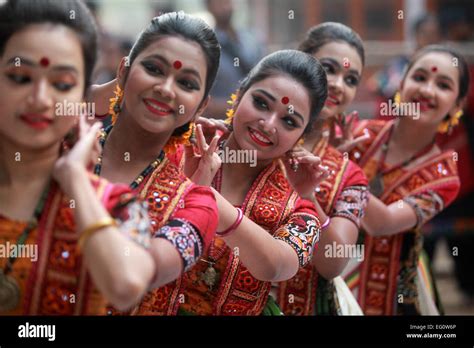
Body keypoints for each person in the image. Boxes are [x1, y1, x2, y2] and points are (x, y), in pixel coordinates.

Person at [0, 0, 157, 314]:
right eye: (20, 77)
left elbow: (125, 285)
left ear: (82, 96)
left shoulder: (118, 206)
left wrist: (75, 180)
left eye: (62, 84)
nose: (40, 99)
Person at [163, 49, 328, 315]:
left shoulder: (297, 208)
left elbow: (276, 266)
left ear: (302, 135)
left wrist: (202, 195)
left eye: (289, 120)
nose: (268, 124)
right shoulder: (176, 151)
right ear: (239, 95)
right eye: (261, 103)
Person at [88, 12, 223, 314]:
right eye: (153, 68)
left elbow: (135, 274)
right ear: (123, 71)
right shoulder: (60, 145)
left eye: (186, 83)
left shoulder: (197, 203)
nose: (166, 88)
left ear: (200, 106)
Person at [345, 45, 469, 315]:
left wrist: (338, 164)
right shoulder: (360, 135)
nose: (427, 90)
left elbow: (382, 223)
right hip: (328, 273)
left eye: (443, 85)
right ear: (402, 84)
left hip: (391, 292)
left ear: (457, 105)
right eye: (420, 77)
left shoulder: (444, 174)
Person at [276, 22, 369, 315]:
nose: (339, 84)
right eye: (329, 69)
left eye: (351, 79)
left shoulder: (348, 175)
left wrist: (309, 196)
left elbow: (333, 262)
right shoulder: (253, 139)